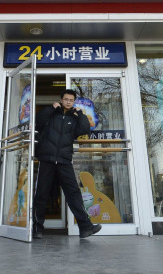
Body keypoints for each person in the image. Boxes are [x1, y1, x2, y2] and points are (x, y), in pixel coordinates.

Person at [33, 89, 102, 239]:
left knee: (74, 193)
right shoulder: (52, 114)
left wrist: (81, 114)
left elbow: (84, 129)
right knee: (42, 194)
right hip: (47, 158)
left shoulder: (75, 118)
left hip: (64, 160)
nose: (68, 102)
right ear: (61, 99)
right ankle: (37, 227)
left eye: (71, 100)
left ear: (73, 102)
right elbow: (38, 121)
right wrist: (52, 108)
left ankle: (85, 227)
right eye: (66, 99)